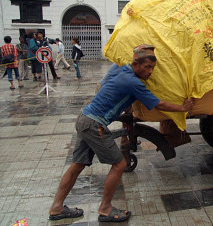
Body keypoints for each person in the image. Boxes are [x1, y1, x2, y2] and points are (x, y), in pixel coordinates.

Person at [48, 44, 194, 222]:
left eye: (153, 68)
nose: (150, 72)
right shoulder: (133, 82)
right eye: (147, 67)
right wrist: (182, 108)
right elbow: (158, 104)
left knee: (77, 165)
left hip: (85, 118)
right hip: (95, 124)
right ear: (136, 63)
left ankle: (56, 207)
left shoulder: (120, 69)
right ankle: (105, 208)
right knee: (119, 164)